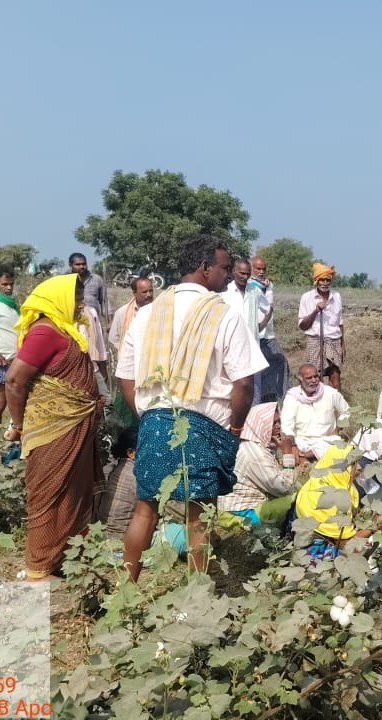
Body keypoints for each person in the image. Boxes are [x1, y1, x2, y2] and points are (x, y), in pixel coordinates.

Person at [115, 235, 268, 581]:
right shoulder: (224, 315)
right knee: (198, 516)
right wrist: (236, 429)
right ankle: (197, 593)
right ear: (204, 268)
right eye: (225, 268)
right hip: (203, 426)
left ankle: (127, 589)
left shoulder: (147, 314)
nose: (228, 276)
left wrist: (147, 415)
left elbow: (125, 377)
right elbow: (243, 383)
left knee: (145, 511)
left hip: (154, 421)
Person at [4, 274, 104, 580]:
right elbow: (14, 379)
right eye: (74, 298)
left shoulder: (65, 331)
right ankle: (38, 568)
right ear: (57, 299)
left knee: (72, 494)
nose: (79, 304)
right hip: (53, 429)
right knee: (50, 494)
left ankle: (63, 558)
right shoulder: (45, 333)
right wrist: (18, 425)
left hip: (73, 428)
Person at [218, 402, 295, 523]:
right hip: (242, 513)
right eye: (273, 423)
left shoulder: (257, 445)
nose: (278, 427)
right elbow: (284, 489)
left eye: (279, 421)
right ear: (259, 425)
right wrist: (288, 453)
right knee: (297, 500)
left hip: (243, 508)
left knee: (300, 489)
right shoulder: (253, 452)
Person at [294, 443, 367, 563]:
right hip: (319, 560)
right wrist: (376, 526)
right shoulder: (331, 500)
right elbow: (345, 544)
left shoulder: (318, 483)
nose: (359, 467)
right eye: (353, 463)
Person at [223, 258, 271, 403]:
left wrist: (261, 326)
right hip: (231, 346)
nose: (244, 277)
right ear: (233, 272)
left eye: (247, 274)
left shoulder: (254, 291)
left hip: (252, 346)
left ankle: (254, 418)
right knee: (233, 385)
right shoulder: (225, 292)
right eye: (241, 273)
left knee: (254, 387)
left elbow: (268, 308)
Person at [280, 363, 350, 462]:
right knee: (290, 451)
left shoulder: (330, 392)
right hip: (302, 441)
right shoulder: (292, 396)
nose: (314, 380)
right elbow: (287, 424)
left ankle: (306, 457)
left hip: (326, 440)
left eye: (316, 376)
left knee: (340, 448)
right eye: (309, 378)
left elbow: (346, 411)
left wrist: (337, 429)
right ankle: (306, 456)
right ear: (300, 379)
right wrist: (292, 445)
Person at [298, 262, 344, 386]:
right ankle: (317, 401)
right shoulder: (307, 298)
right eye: (322, 280)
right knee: (315, 375)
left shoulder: (337, 297)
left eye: (327, 280)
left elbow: (340, 323)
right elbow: (303, 326)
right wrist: (315, 311)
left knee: (335, 372)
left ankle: (335, 402)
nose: (324, 283)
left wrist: (343, 344)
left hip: (333, 340)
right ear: (316, 281)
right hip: (315, 340)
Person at [250, 256, 289, 403]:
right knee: (256, 370)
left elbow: (269, 305)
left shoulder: (268, 285)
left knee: (281, 362)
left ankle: (279, 397)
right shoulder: (248, 285)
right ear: (252, 268)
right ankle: (256, 403)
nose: (261, 272)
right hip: (255, 335)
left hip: (269, 334)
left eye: (263, 269)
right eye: (257, 268)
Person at [95, 427, 139, 541]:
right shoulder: (138, 476)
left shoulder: (110, 469)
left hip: (100, 540)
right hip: (122, 544)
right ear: (131, 453)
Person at [109, 277, 154, 352]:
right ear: (135, 293)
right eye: (144, 292)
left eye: (151, 291)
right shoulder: (122, 313)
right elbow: (113, 339)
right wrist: (127, 351)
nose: (149, 294)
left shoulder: (159, 311)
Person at [0, 268, 20, 420]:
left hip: (14, 360)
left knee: (14, 402)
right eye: (4, 284)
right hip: (2, 361)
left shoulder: (12, 306)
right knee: (0, 403)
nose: (9, 288)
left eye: (11, 284)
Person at [69, 252, 109, 324]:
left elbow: (104, 302)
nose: (82, 266)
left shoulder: (97, 279)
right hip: (72, 323)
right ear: (71, 265)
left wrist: (109, 322)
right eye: (78, 264)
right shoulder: (66, 281)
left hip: (93, 322)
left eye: (84, 264)